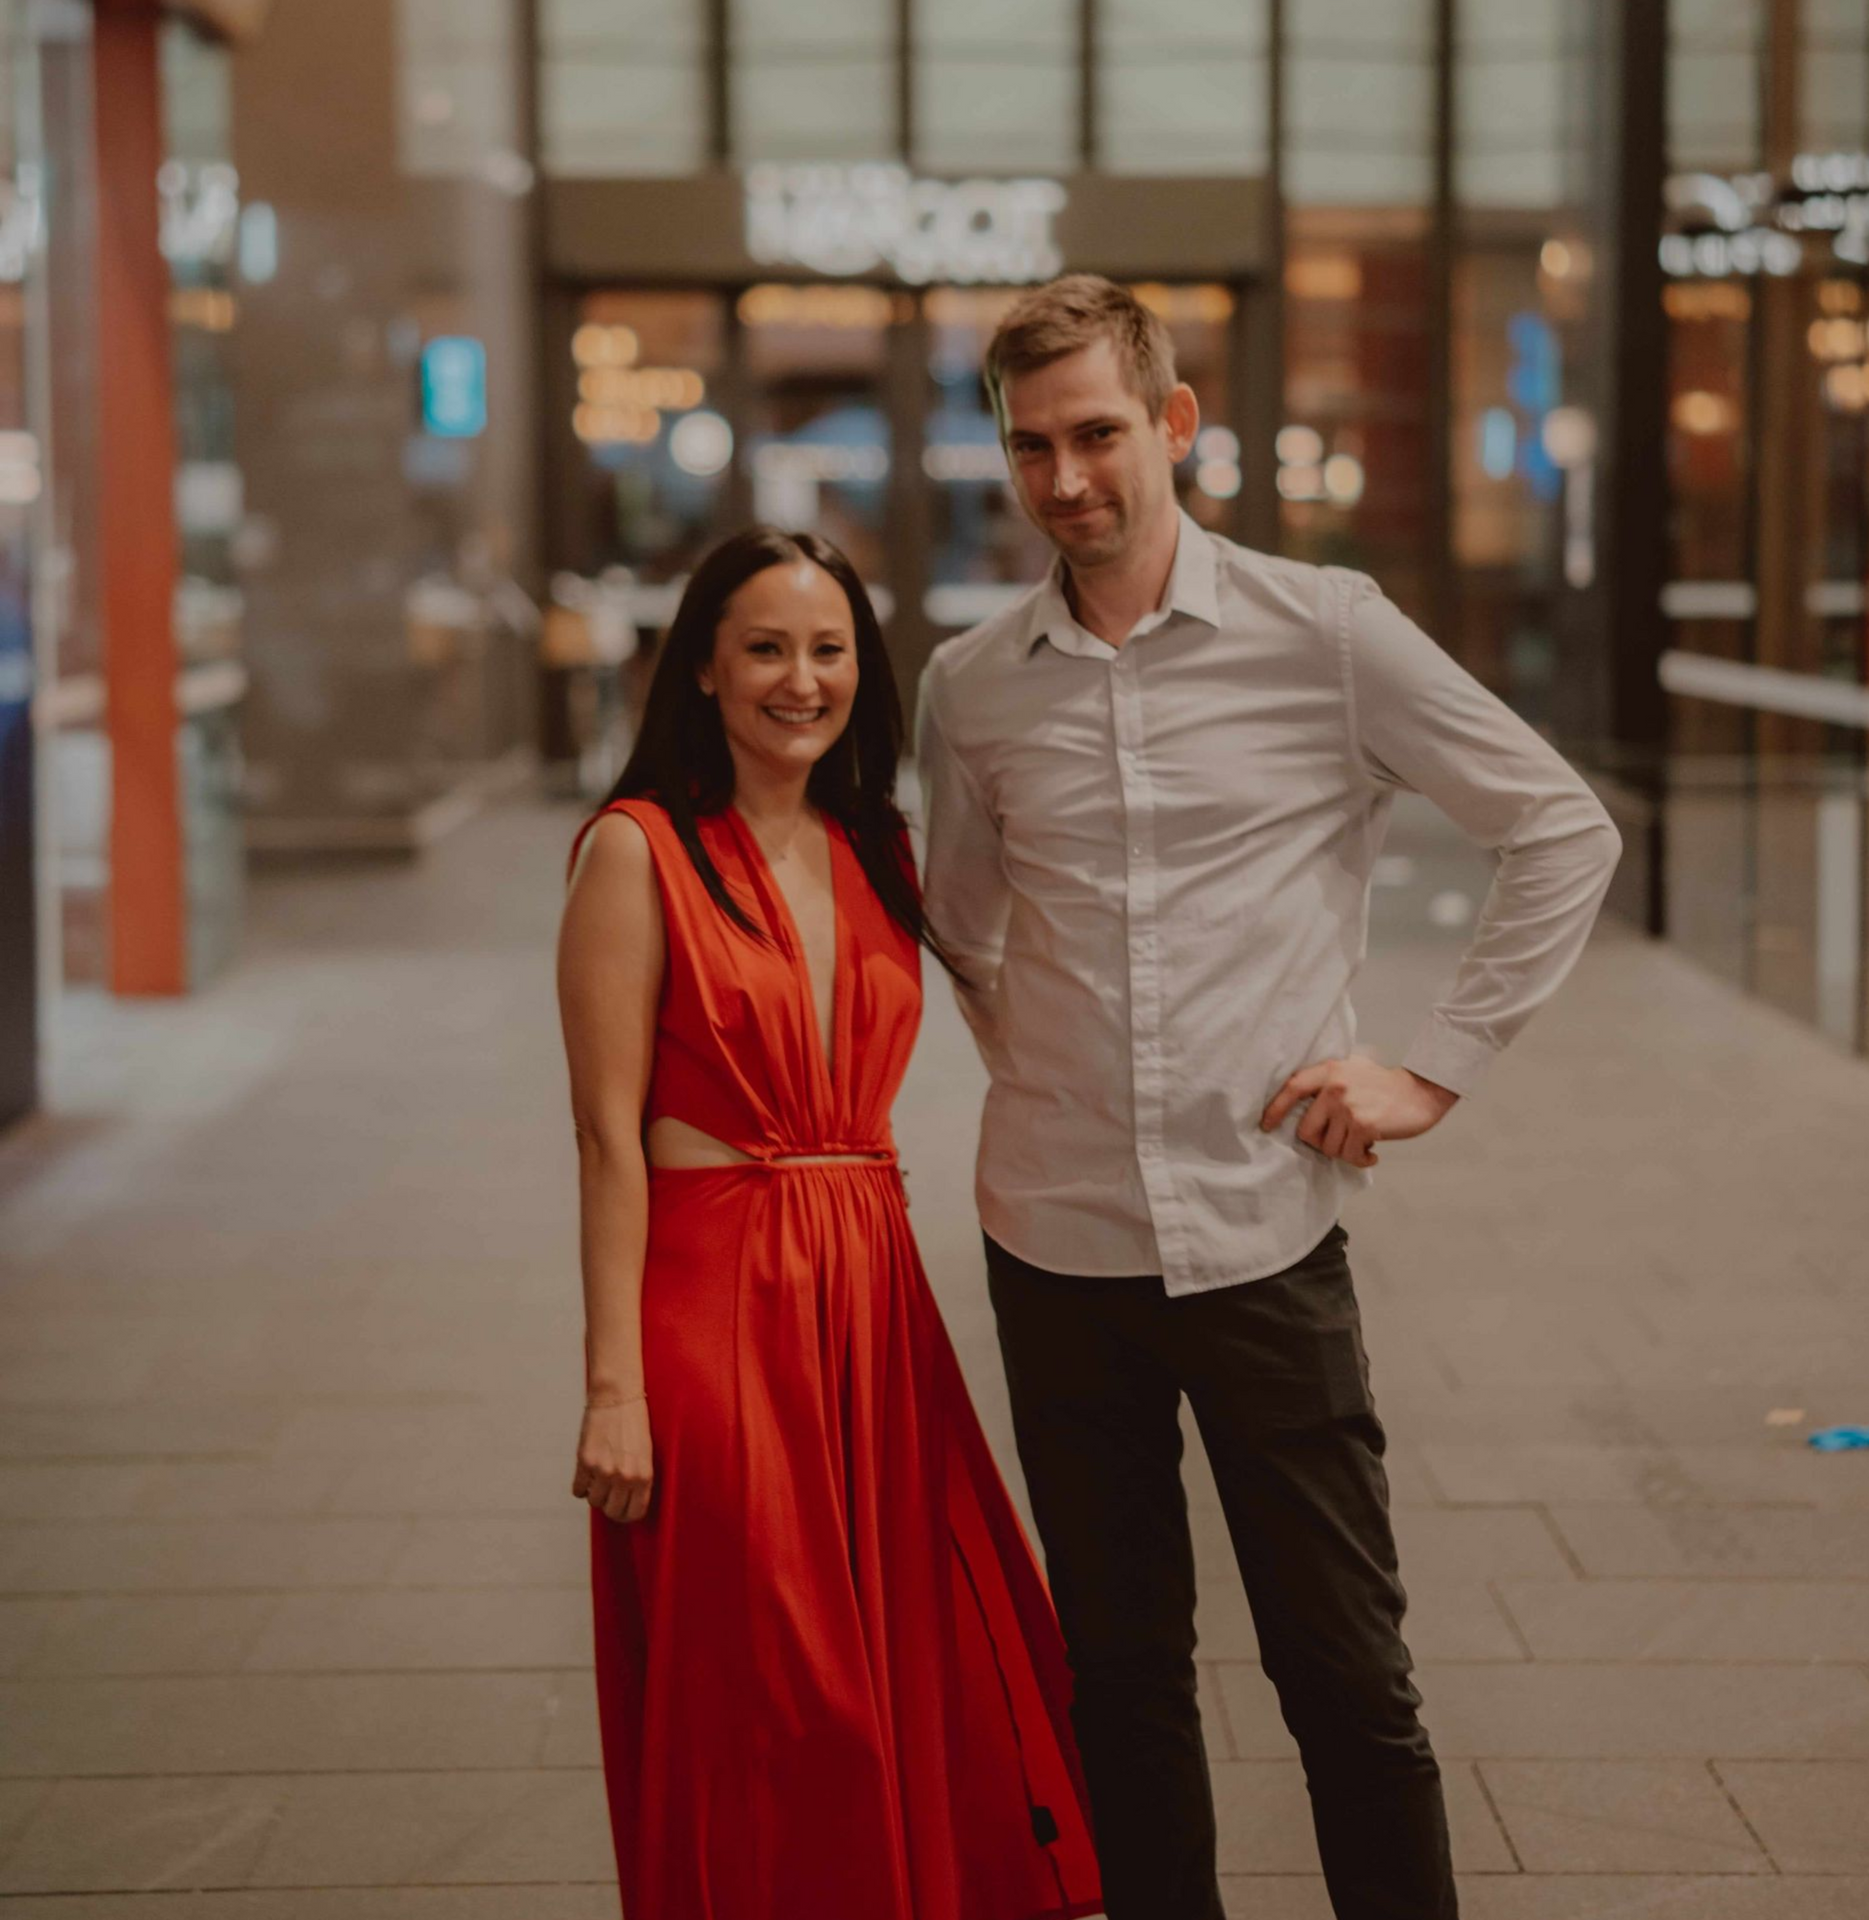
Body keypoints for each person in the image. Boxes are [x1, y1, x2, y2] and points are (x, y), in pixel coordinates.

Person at [916, 276, 1624, 1920]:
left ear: (1174, 425)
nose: (1066, 478)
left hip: (1263, 1243)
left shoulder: (1325, 630)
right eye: (1032, 447)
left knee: (1347, 1684)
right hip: (1055, 1243)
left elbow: (1560, 825)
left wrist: (1433, 1067)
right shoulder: (974, 685)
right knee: (1124, 1686)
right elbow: (960, 917)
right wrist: (1044, 1055)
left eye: (1097, 433)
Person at [556, 526, 1102, 1920]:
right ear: (701, 670)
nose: (800, 680)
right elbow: (605, 1141)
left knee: (907, 1665)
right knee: (781, 1680)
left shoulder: (877, 845)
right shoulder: (636, 853)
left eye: (829, 650)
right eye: (764, 648)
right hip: (715, 1296)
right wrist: (613, 1387)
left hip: (871, 1291)